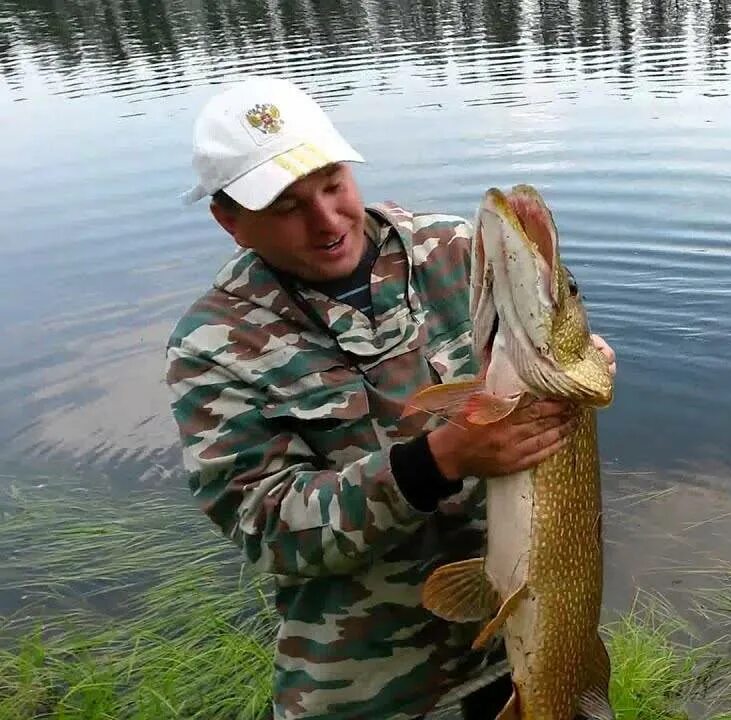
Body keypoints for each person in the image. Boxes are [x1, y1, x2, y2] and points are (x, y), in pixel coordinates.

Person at [164, 76, 616, 720]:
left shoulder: (452, 248)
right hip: (370, 687)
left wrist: (587, 367)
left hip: (518, 649)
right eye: (288, 207)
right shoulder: (213, 344)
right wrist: (436, 462)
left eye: (332, 185)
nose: (326, 221)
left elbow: (551, 350)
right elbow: (266, 528)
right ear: (230, 221)